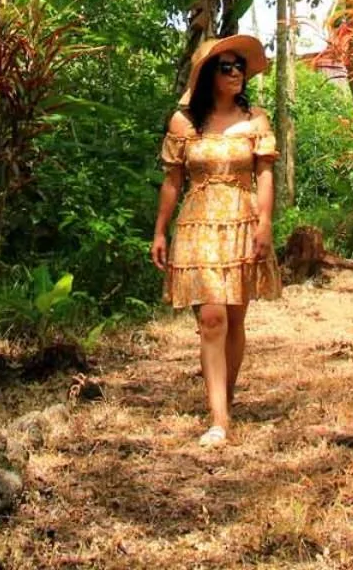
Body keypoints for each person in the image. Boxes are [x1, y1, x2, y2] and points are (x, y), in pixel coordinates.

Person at [150, 34, 283, 447]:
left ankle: (224, 396)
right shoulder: (184, 124)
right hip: (197, 224)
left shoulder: (255, 120)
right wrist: (159, 230)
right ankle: (219, 420)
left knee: (236, 318)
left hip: (241, 219)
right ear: (209, 74)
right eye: (226, 66)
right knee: (212, 318)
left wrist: (264, 225)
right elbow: (172, 180)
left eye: (240, 66)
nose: (236, 73)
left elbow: (264, 174)